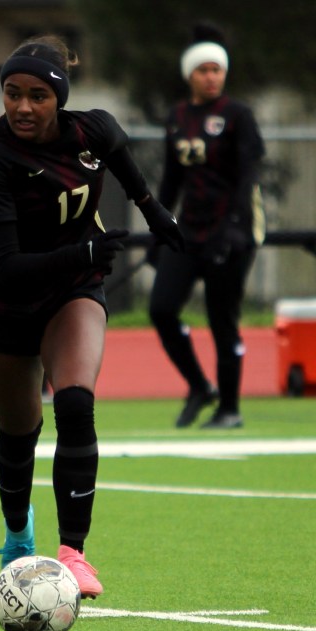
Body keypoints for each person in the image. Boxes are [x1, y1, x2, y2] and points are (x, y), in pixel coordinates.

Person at [0, 35, 184, 598]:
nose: (22, 106)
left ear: (59, 98)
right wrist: (84, 252)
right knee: (19, 433)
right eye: (12, 93)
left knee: (75, 402)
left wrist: (156, 212)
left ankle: (73, 554)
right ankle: (18, 537)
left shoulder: (94, 129)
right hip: (6, 300)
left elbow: (127, 167)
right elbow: (10, 267)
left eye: (37, 95)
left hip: (73, 291)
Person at [149, 25, 265, 429]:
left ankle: (230, 408)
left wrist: (234, 227)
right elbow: (172, 180)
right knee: (162, 309)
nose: (211, 76)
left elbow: (248, 174)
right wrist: (158, 225)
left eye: (217, 69)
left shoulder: (238, 116)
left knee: (222, 318)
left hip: (230, 231)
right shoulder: (178, 118)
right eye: (203, 70)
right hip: (189, 230)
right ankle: (199, 385)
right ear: (190, 74)